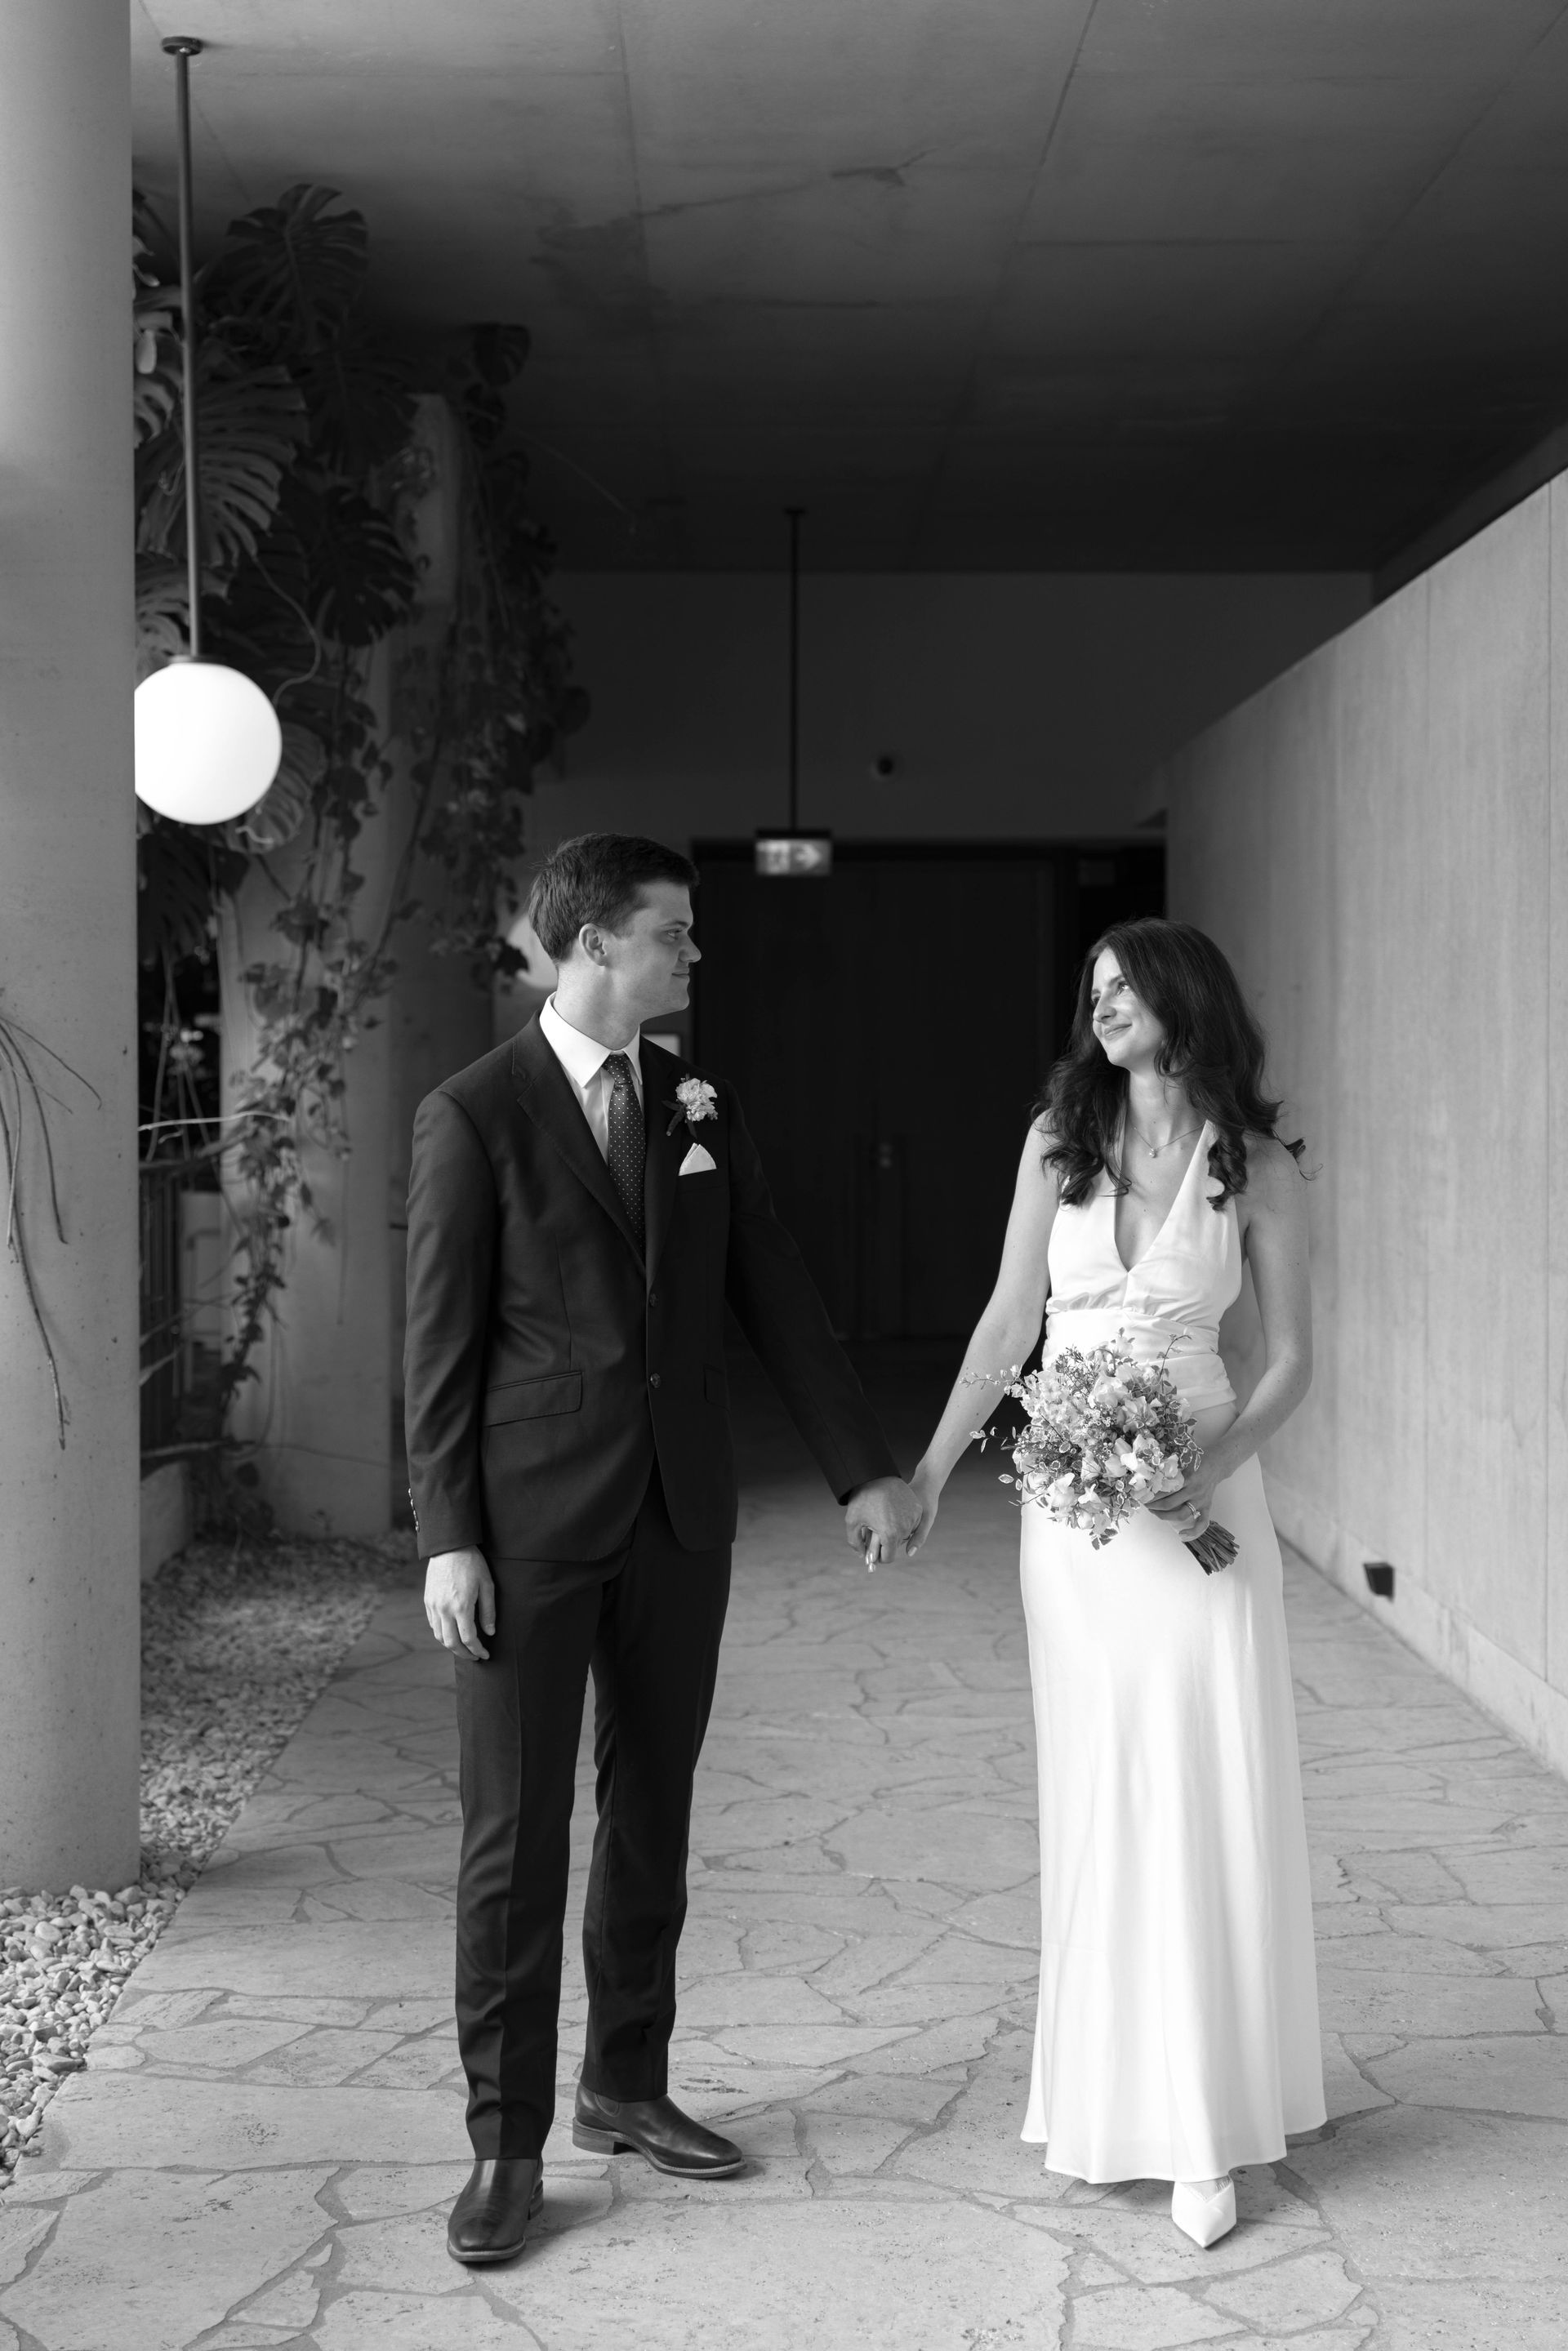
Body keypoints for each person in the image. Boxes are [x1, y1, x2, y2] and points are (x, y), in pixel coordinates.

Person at [404, 831, 919, 2266]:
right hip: (525, 1535)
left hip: (679, 1521)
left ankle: (624, 2085)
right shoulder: (474, 1113)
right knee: (513, 1842)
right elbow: (436, 1350)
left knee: (652, 1820)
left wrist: (861, 1470)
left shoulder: (698, 1098)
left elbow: (775, 1285)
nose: (695, 957)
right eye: (673, 935)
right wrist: (450, 1537)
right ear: (590, 948)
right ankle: (504, 2145)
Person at [906, 917, 1325, 2249]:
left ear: (1183, 1000)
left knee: (1201, 1787)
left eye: (1122, 988)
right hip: (1074, 1529)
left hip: (1206, 1505)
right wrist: (924, 1474)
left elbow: (1286, 1359)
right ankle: (1099, 2102)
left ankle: (1209, 2131)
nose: (1100, 1007)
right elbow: (1004, 1323)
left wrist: (1213, 1464)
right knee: (1102, 1791)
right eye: (1090, 991)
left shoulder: (1254, 1168)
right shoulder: (1057, 1144)